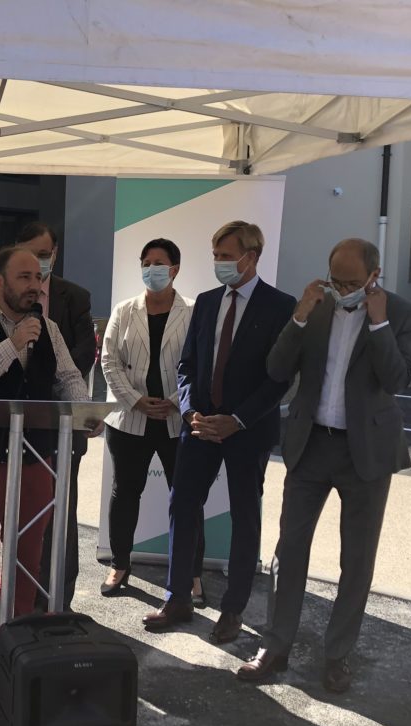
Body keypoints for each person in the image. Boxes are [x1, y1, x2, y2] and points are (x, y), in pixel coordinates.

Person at [238, 238, 411, 692]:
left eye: (352, 283)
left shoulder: (401, 313)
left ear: (374, 276)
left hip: (366, 453)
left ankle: (338, 654)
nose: (343, 289)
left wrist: (378, 323)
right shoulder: (316, 306)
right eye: (336, 280)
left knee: (356, 559)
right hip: (311, 445)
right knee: (289, 550)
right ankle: (275, 646)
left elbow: (397, 379)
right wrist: (299, 315)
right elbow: (277, 369)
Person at [0, 247, 95, 699]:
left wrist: (85, 409)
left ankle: (14, 648)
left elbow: (68, 376)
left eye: (38, 277)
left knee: (27, 563)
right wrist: (11, 345)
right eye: (24, 277)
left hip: (34, 462)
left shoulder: (48, 328)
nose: (34, 285)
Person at [143, 221, 295, 643]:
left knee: (245, 515)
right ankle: (177, 597)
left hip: (248, 429)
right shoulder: (207, 302)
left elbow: (280, 378)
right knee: (182, 504)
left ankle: (233, 609)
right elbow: (187, 365)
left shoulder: (280, 306)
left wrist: (238, 419)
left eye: (226, 256)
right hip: (200, 427)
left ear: (252, 257)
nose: (219, 263)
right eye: (215, 255)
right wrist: (190, 411)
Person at [0, 222, 96, 609]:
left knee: (61, 513)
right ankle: (17, 598)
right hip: (10, 426)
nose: (35, 266)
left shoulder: (75, 297)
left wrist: (54, 397)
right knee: (14, 513)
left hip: (59, 425)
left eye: (43, 256)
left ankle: (58, 599)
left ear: (55, 255)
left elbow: (82, 357)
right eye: (28, 256)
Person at [100, 238, 205, 602]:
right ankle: (119, 563)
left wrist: (175, 402)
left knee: (187, 498)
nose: (151, 269)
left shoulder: (194, 311)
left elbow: (201, 363)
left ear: (175, 269)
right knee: (125, 493)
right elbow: (109, 360)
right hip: (130, 419)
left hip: (177, 420)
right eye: (146, 262)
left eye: (159, 263)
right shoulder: (124, 310)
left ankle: (192, 573)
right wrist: (136, 401)